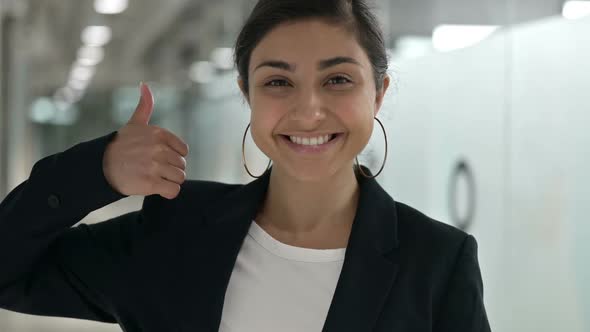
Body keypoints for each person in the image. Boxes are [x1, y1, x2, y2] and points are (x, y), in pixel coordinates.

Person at [0, 0, 492, 331]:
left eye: (338, 79)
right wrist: (98, 171)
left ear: (379, 93)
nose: (309, 110)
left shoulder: (436, 264)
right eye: (278, 82)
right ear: (246, 94)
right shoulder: (176, 231)